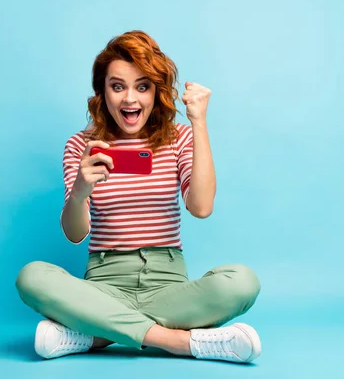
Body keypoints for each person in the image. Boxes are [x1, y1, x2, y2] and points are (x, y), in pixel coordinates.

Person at [15, 30, 262, 364]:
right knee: (31, 277)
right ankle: (180, 341)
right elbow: (75, 234)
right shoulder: (80, 145)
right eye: (118, 86)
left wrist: (199, 122)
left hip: (169, 286)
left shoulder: (178, 138)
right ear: (102, 92)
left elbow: (201, 208)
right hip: (104, 284)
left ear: (156, 91)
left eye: (142, 86)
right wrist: (79, 193)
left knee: (241, 282)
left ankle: (94, 335)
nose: (130, 99)